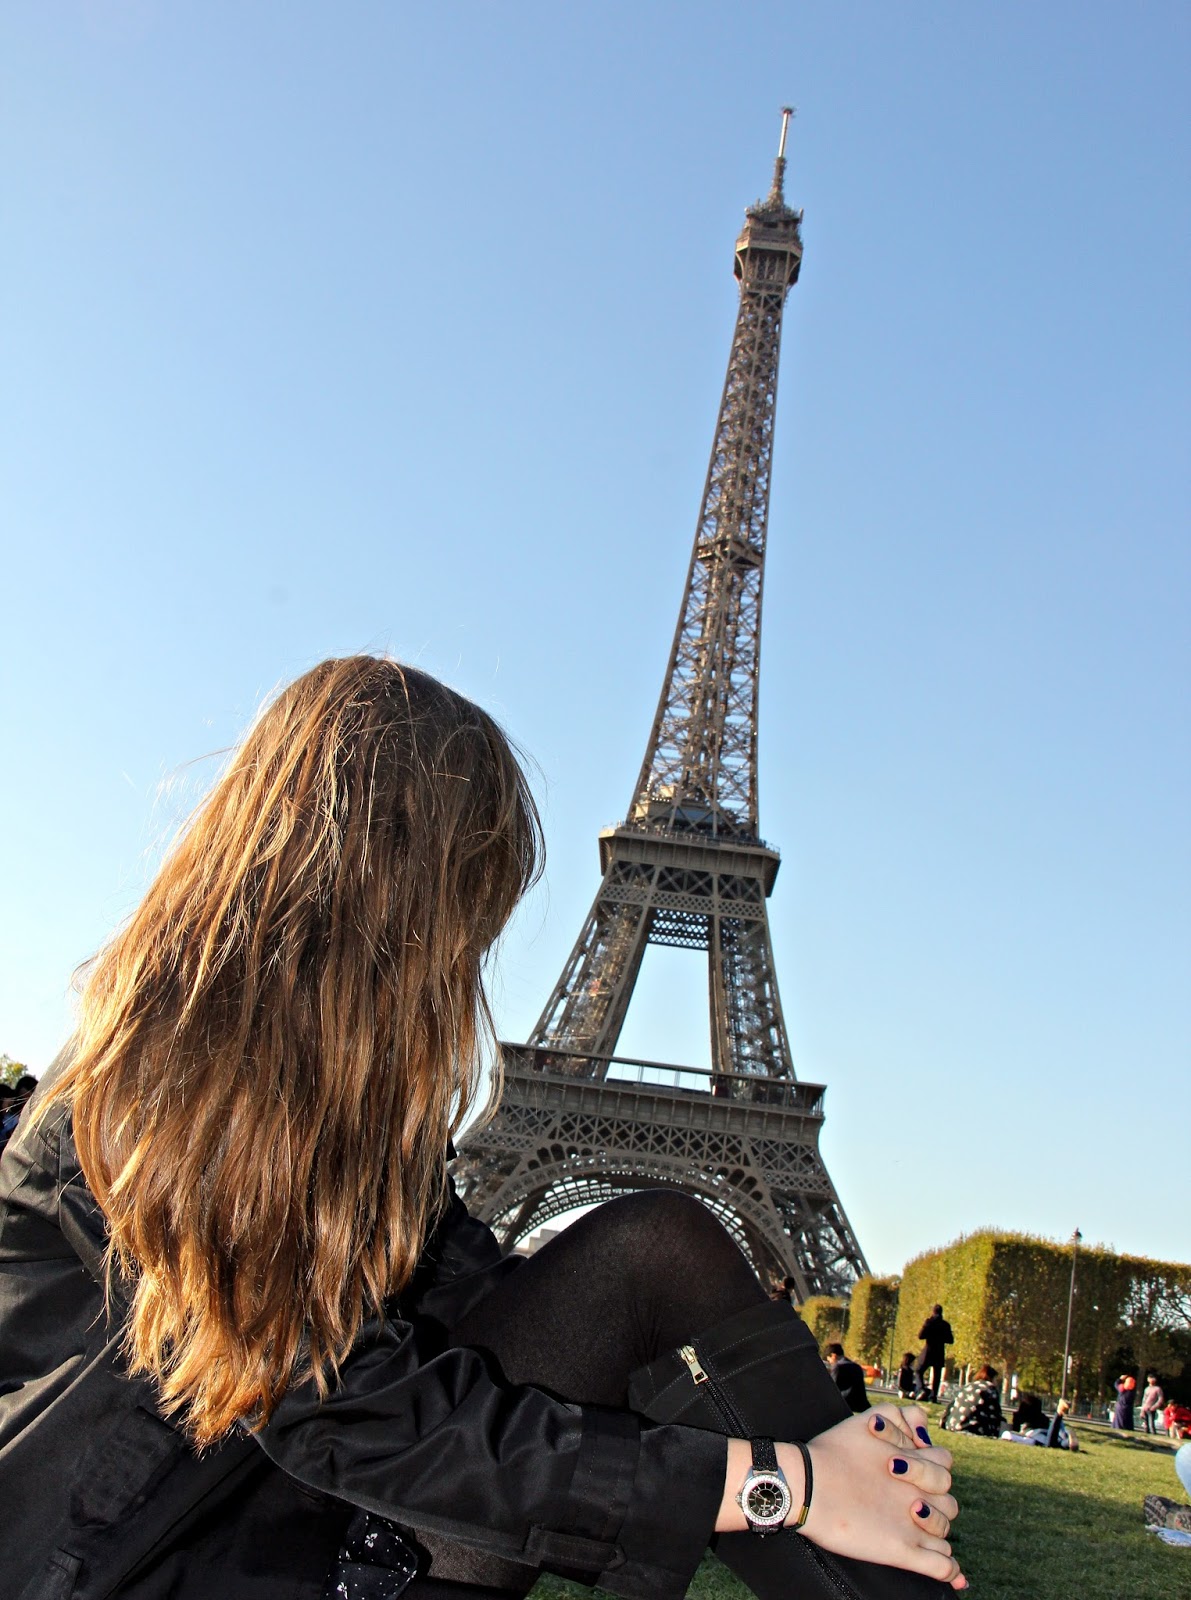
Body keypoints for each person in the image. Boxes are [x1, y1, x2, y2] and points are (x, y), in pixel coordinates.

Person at [0, 657, 966, 1600]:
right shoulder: (136, 1099)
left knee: (659, 1244)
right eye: (476, 895)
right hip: (149, 1565)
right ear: (398, 883)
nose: (481, 939)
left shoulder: (366, 1129)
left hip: (330, 1521)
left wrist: (832, 1447)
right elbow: (349, 1416)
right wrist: (774, 1486)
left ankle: (876, 1520)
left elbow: (499, 1303)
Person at [940, 1365, 1004, 1438]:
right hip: (973, 1428)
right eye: (996, 1380)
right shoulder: (990, 1388)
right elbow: (996, 1414)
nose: (996, 1383)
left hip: (952, 1425)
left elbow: (950, 1407)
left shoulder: (968, 1386)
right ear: (991, 1378)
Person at [915, 1306, 953, 1403]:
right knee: (937, 1376)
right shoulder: (945, 1325)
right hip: (939, 1352)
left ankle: (922, 1389)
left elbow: (920, 1336)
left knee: (919, 1371)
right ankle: (933, 1397)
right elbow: (950, 1340)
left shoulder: (929, 1322)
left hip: (928, 1351)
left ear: (933, 1312)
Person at [825, 1343, 872, 1414]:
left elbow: (832, 1391)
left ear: (833, 1356)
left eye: (829, 1360)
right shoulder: (857, 1367)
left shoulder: (838, 1367)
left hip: (845, 1408)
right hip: (863, 1409)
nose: (830, 1363)